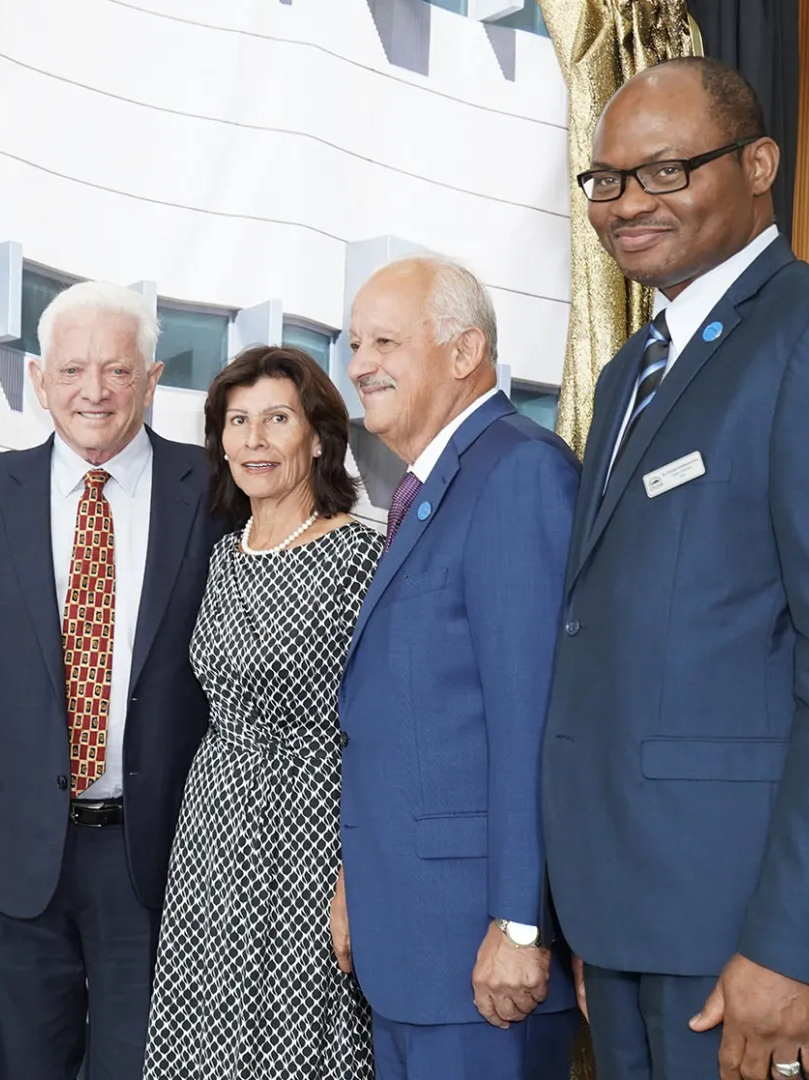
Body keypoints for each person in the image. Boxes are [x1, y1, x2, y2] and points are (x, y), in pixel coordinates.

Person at [542, 57, 809, 1080]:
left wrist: (793, 944)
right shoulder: (632, 369)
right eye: (608, 180)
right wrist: (600, 919)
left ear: (760, 164)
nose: (629, 203)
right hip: (640, 921)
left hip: (757, 929)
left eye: (668, 170)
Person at [0, 280, 228, 1078]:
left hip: (162, 855)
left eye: (118, 371)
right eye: (73, 370)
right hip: (15, 856)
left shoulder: (216, 494)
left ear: (151, 382)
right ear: (40, 381)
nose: (95, 392)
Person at [335, 256, 580, 1080]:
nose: (360, 362)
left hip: (480, 959)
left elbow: (533, 719)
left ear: (466, 349)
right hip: (411, 944)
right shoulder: (431, 487)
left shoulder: (517, 472)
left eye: (385, 341)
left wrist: (519, 923)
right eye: (354, 341)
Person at [142, 346, 382, 1078]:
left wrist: (356, 876)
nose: (253, 439)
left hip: (311, 834)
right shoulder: (221, 556)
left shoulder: (361, 558)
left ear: (317, 436)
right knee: (204, 1032)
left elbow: (378, 733)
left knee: (295, 1040)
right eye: (237, 421)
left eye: (276, 419)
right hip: (213, 833)